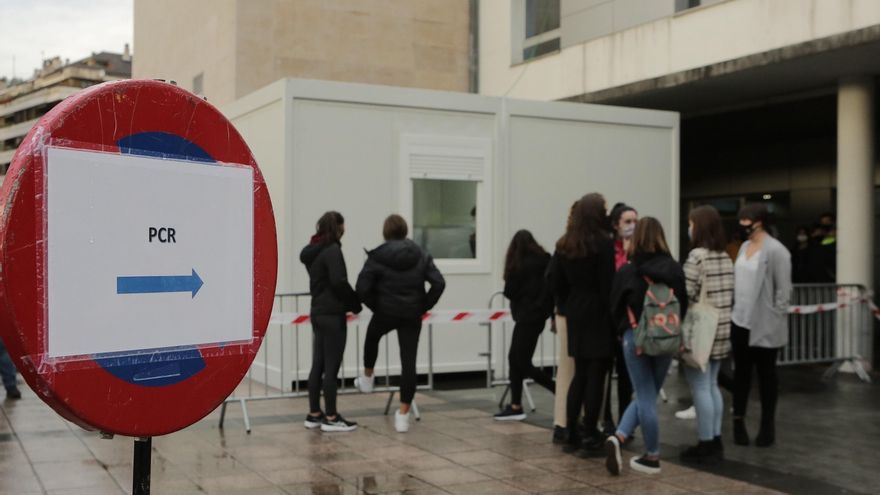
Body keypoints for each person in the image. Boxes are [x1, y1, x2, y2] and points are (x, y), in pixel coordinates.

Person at [606, 217, 687, 475]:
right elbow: (684, 302)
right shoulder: (674, 270)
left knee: (644, 393)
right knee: (648, 394)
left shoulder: (628, 271)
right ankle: (624, 440)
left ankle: (645, 453)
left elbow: (614, 307)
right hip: (666, 338)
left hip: (636, 338)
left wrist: (623, 331)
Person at [354, 214, 445, 433]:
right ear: (405, 231)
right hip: (412, 314)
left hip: (385, 312)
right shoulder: (421, 254)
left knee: (372, 336)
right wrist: (424, 305)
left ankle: (367, 376)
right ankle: (403, 414)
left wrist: (376, 305)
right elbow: (439, 283)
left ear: (385, 233)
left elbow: (361, 287)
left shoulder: (377, 257)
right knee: (409, 362)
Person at [551, 193, 616, 456]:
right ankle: (591, 434)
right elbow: (607, 284)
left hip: (575, 311)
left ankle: (570, 433)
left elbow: (554, 280)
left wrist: (566, 305)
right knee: (596, 375)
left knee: (579, 373)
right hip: (598, 312)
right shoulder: (603, 243)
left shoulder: (565, 243)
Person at [731, 203, 791, 448]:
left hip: (763, 324)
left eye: (748, 220)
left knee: (767, 377)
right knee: (741, 375)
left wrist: (773, 319)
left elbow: (783, 292)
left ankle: (767, 426)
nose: (743, 224)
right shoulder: (744, 246)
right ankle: (738, 422)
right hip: (739, 321)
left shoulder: (777, 251)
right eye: (741, 219)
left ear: (760, 221)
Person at [679, 206, 734, 464]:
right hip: (722, 327)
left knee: (700, 385)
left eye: (690, 224)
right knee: (712, 384)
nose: (688, 228)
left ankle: (706, 442)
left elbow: (686, 292)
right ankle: (716, 437)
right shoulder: (724, 256)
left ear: (698, 226)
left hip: (701, 330)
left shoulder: (697, 257)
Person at [300, 211, 363, 433]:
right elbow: (339, 281)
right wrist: (355, 303)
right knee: (331, 367)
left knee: (318, 364)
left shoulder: (313, 251)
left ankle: (314, 413)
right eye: (343, 226)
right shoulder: (332, 250)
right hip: (333, 314)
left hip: (317, 312)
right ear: (337, 227)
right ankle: (332, 417)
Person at [494, 230, 555, 421]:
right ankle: (515, 404)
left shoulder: (518, 266)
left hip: (525, 316)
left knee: (519, 360)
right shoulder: (546, 260)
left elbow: (509, 291)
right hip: (539, 316)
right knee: (517, 359)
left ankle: (557, 389)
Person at [603, 203, 637, 435]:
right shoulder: (607, 249)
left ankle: (626, 423)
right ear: (615, 224)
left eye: (635, 221)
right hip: (608, 319)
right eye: (627, 222)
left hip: (629, 320)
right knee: (605, 371)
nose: (632, 226)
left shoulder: (638, 250)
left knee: (627, 374)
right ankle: (606, 419)